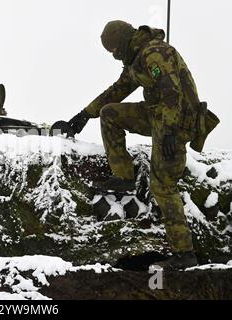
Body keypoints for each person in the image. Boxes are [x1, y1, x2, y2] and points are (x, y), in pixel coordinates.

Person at [68, 20, 219, 270]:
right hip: (158, 115)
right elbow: (118, 90)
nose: (115, 57)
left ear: (122, 43)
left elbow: (172, 92)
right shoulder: (136, 58)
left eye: (114, 51)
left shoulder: (154, 53)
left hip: (176, 120)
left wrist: (170, 132)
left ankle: (185, 253)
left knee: (163, 185)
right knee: (110, 114)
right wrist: (84, 114)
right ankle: (124, 176)